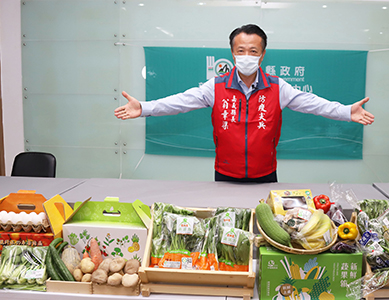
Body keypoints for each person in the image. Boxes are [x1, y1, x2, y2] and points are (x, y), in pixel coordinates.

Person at [114, 24, 374, 183]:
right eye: (240, 50)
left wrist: (345, 111)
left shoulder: (277, 87)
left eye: (253, 51)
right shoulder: (215, 87)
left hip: (266, 175)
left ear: (262, 55)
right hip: (225, 175)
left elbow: (313, 104)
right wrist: (144, 108)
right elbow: (180, 102)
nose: (246, 56)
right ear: (232, 53)